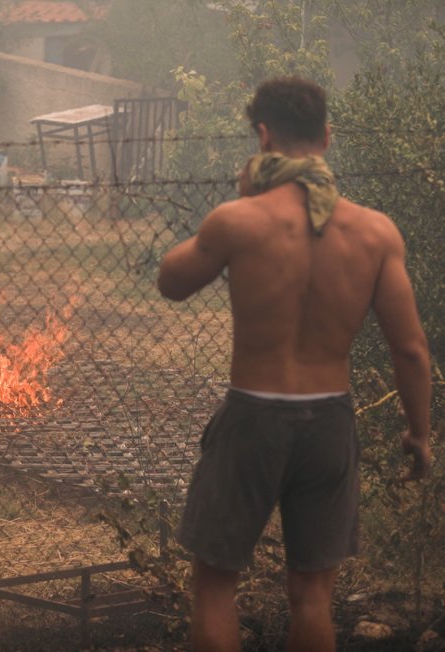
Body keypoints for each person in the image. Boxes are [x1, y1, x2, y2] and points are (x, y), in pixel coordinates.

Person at [157, 76, 433, 651]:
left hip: (253, 416)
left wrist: (235, 203)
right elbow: (409, 349)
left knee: (214, 586)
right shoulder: (376, 233)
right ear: (327, 137)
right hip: (330, 422)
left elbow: (171, 281)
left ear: (262, 136)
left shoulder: (239, 220)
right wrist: (419, 433)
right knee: (312, 594)